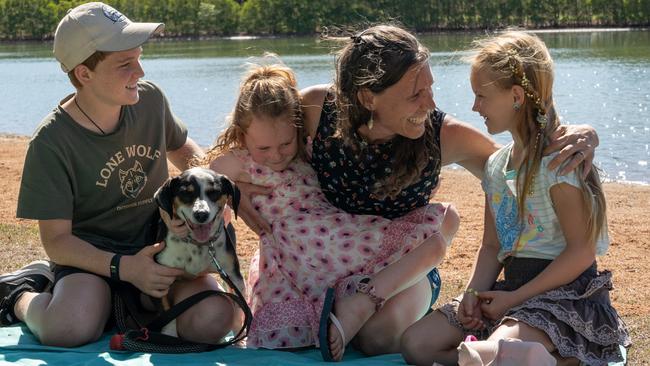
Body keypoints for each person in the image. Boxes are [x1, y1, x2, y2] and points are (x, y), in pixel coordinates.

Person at [232, 25, 600, 362]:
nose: (430, 104)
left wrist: (582, 133)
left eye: (430, 88)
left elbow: (519, 167)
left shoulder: (443, 136)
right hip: (323, 264)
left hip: (403, 270)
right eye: (415, 94)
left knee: (377, 339)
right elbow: (257, 131)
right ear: (368, 98)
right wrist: (229, 182)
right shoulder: (316, 109)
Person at [0, 2, 240, 347]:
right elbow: (56, 241)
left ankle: (118, 311)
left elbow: (185, 151)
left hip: (163, 253)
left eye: (139, 57)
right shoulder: (51, 142)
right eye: (126, 64)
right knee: (67, 329)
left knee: (216, 319)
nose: (140, 72)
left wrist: (211, 196)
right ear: (85, 73)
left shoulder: (151, 100)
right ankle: (20, 294)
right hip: (94, 263)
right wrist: (124, 268)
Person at [400, 31, 630, 366]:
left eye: (481, 96)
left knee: (496, 352)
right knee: (416, 345)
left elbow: (581, 252)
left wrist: (515, 299)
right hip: (510, 289)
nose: (474, 106)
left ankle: (548, 356)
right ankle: (527, 357)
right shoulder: (495, 165)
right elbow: (492, 247)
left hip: (563, 294)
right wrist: (473, 294)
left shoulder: (559, 163)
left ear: (517, 96)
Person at [206, 59, 459, 350]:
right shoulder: (237, 161)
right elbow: (207, 184)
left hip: (331, 236)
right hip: (287, 257)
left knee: (417, 234)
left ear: (298, 132)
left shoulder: (304, 150)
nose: (276, 155)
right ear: (241, 136)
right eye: (264, 148)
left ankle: (426, 257)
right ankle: (340, 316)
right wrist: (232, 191)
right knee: (286, 330)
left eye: (285, 144)